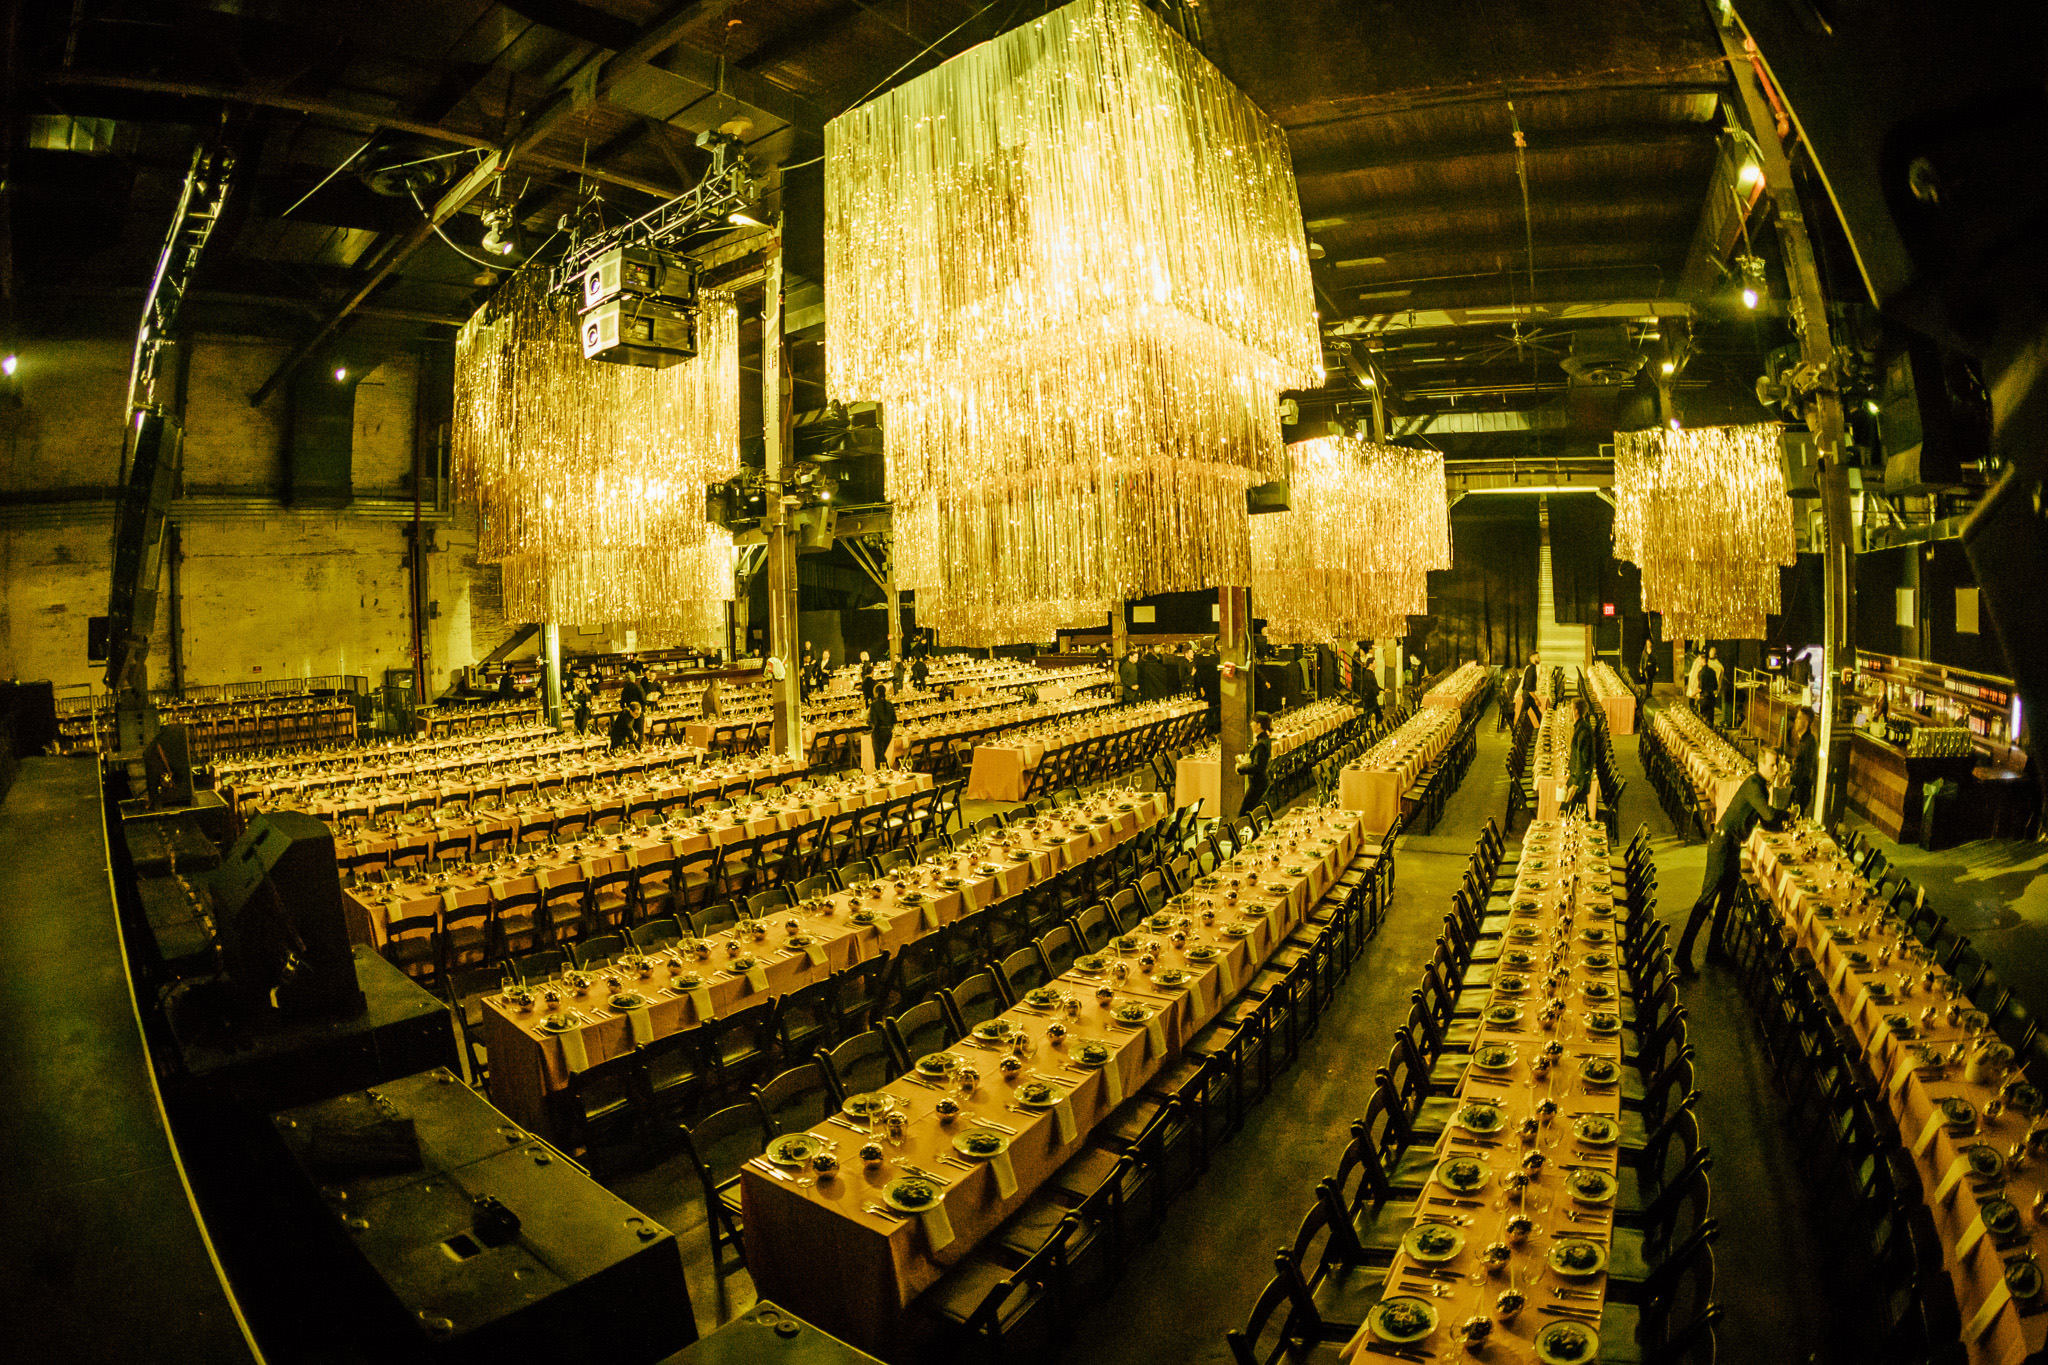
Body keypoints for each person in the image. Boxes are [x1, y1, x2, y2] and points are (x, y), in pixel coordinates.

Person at [1676, 747, 1790, 973]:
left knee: (1727, 900)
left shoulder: (1761, 788)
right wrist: (1787, 815)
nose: (1776, 769)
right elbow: (1767, 814)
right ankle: (1682, 954)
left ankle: (1714, 950)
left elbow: (1765, 821)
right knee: (1706, 900)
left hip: (1731, 846)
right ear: (1761, 764)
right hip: (1722, 844)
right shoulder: (1753, 786)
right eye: (1772, 765)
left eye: (1777, 765)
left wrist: (1786, 825)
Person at [1562, 698, 1598, 818]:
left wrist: (1575, 785)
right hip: (1577, 777)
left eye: (1570, 710)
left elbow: (1582, 759)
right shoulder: (1581, 726)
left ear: (1576, 711)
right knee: (1577, 812)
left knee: (1569, 813)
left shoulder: (1583, 731)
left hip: (1580, 780)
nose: (1569, 713)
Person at [1236, 711, 1274, 816]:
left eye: (1253, 722)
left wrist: (1240, 768)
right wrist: (1246, 762)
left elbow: (1257, 767)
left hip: (1257, 784)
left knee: (1243, 814)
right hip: (1262, 782)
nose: (1250, 724)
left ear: (1259, 725)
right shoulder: (1265, 739)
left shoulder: (1260, 744)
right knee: (1253, 814)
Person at [1787, 707, 1819, 815]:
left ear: (1805, 723)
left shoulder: (1807, 743)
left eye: (1799, 718)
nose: (1795, 720)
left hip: (1801, 790)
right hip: (1801, 788)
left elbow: (1803, 769)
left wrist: (1789, 780)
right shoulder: (1807, 740)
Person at [868, 685, 897, 770]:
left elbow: (874, 722)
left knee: (878, 756)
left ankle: (885, 771)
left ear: (876, 693)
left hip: (879, 732)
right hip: (888, 732)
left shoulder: (874, 705)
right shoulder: (890, 704)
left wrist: (868, 722)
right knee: (881, 754)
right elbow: (894, 720)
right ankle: (884, 772)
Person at [1356, 644, 1382, 723]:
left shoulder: (1370, 673)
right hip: (1370, 699)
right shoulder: (1368, 674)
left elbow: (1374, 685)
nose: (1376, 665)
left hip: (1372, 698)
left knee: (1376, 716)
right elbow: (1371, 686)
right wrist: (1378, 691)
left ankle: (1375, 729)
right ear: (1371, 664)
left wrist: (1382, 690)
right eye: (1375, 663)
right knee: (1374, 716)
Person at [1697, 656, 1720, 729]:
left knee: (1703, 720)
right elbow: (1715, 686)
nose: (1698, 662)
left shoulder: (1701, 673)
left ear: (1703, 661)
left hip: (1704, 697)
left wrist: (1694, 693)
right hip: (1711, 697)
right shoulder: (1712, 671)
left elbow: (1701, 687)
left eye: (1699, 660)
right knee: (1710, 719)